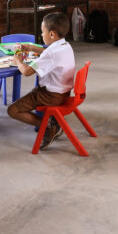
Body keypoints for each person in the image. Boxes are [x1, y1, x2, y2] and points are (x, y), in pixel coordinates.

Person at [7, 12, 76, 150]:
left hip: (50, 96)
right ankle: (51, 123)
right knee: (33, 91)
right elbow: (48, 53)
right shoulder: (65, 46)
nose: (41, 35)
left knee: (12, 110)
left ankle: (48, 126)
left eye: (42, 32)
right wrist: (32, 48)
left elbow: (26, 72)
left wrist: (18, 61)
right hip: (64, 93)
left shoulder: (51, 54)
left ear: (52, 34)